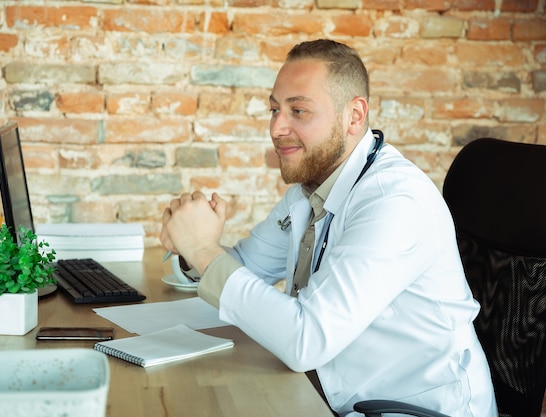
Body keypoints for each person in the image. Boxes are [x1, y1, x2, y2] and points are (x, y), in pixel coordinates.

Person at [160, 39, 497, 416]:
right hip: (331, 392)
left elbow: (307, 340)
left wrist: (203, 250)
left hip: (414, 406)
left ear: (354, 116)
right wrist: (191, 246)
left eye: (298, 110)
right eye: (274, 109)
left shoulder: (395, 202)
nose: (276, 127)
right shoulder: (310, 190)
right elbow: (242, 266)